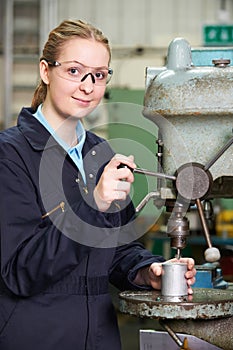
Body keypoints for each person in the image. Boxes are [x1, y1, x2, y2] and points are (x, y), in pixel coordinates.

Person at [0, 19, 196, 350]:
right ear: (45, 71)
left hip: (100, 338)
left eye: (99, 74)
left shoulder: (100, 154)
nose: (88, 86)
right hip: (36, 337)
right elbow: (20, 272)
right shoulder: (10, 156)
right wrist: (92, 205)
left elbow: (119, 250)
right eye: (74, 71)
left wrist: (146, 272)